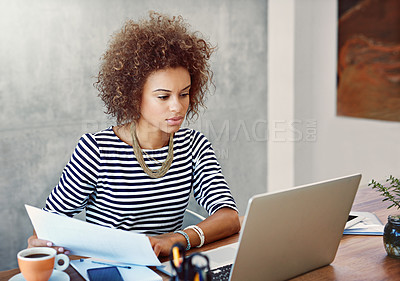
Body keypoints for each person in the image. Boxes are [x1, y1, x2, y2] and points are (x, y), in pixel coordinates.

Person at [27, 11, 240, 257]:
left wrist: (177, 239)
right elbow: (47, 226)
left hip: (164, 268)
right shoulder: (96, 149)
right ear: (133, 96)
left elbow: (229, 217)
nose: (178, 106)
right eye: (163, 96)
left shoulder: (194, 146)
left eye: (184, 94)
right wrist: (40, 240)